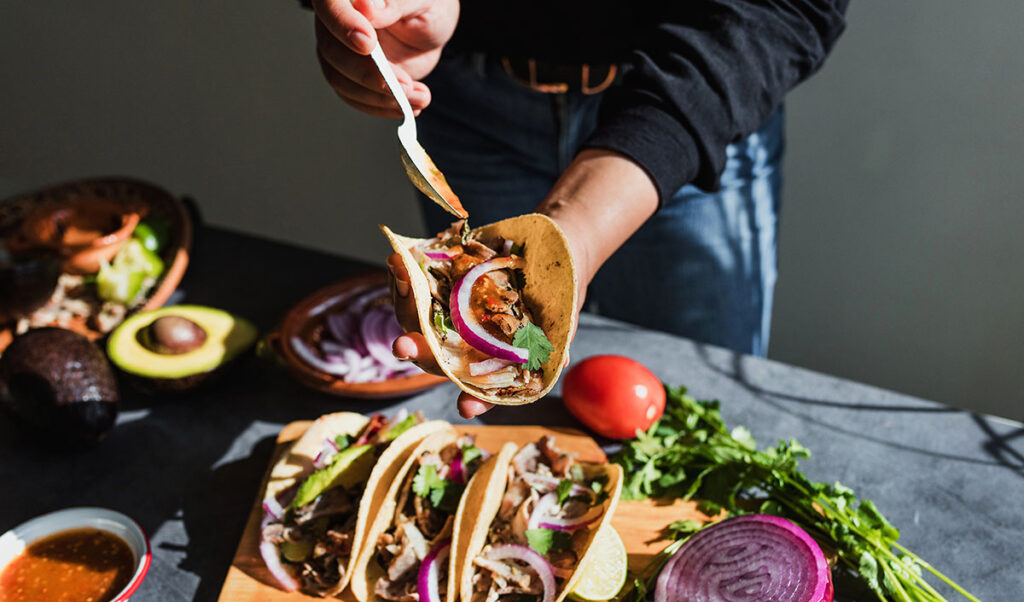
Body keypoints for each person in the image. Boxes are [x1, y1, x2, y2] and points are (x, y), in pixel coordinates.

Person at [307, 0, 849, 417]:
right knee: (513, 421)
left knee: (701, 406)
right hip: (462, 95)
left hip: (697, 102)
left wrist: (576, 235)